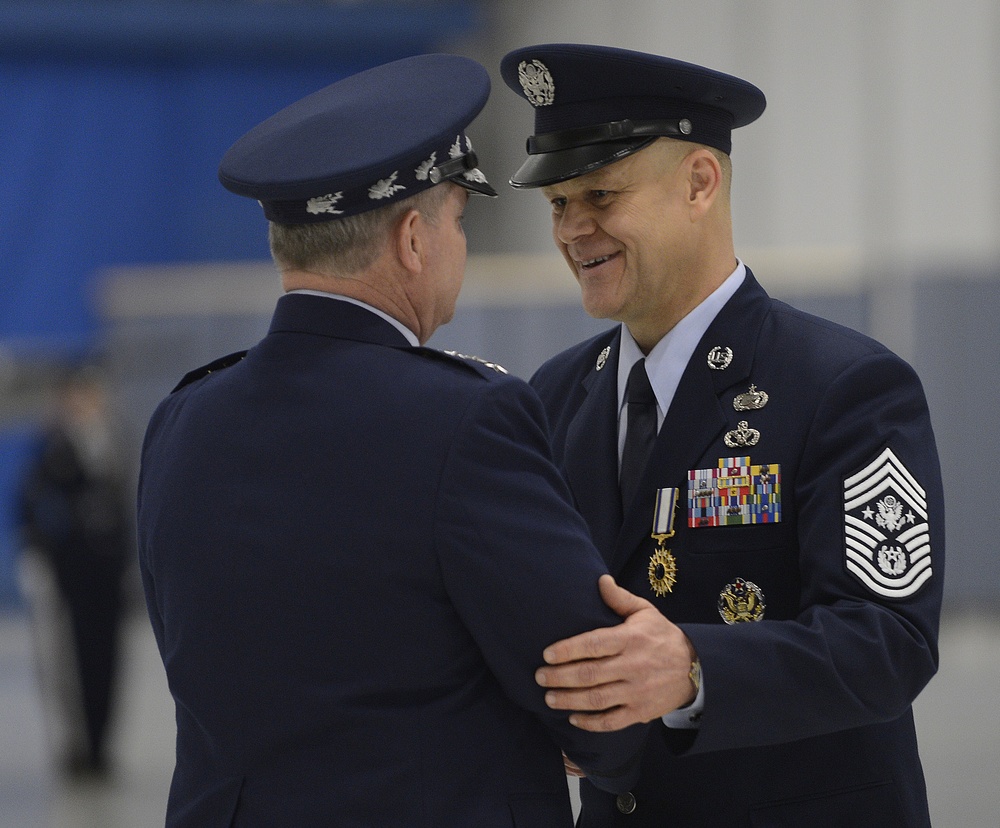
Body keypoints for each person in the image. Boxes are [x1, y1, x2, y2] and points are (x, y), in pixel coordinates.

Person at [136, 53, 647, 827]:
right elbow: (597, 697)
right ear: (414, 238)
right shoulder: (467, 421)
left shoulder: (182, 421)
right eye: (458, 222)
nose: (458, 247)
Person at [500, 43, 944, 826]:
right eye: (558, 204)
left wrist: (696, 669)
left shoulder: (843, 387)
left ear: (699, 183)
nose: (574, 229)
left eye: (600, 194)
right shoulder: (555, 397)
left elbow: (888, 639)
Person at [17, 361, 133, 781]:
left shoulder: (115, 439)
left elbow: (126, 503)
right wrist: (35, 551)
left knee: (109, 660)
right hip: (72, 569)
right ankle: (77, 746)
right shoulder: (52, 444)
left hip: (110, 570)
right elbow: (31, 500)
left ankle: (103, 746)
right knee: (70, 661)